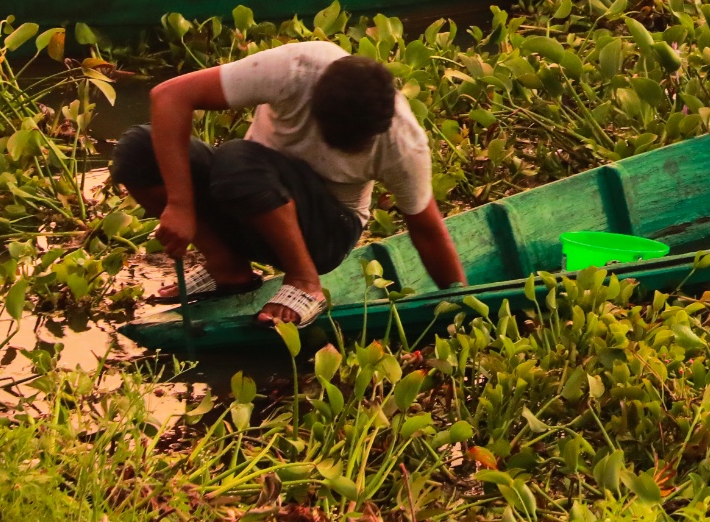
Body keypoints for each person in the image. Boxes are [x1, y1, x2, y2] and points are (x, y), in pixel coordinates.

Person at [110, 41, 465, 327]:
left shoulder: (403, 142)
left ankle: (305, 281)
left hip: (324, 233)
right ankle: (227, 267)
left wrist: (462, 305)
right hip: (247, 201)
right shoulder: (297, 69)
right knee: (139, 151)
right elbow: (169, 96)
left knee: (238, 161)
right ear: (314, 104)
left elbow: (428, 231)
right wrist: (180, 204)